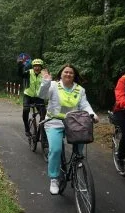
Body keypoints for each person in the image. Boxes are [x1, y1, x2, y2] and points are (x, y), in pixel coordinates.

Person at [39, 64, 99, 195]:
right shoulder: (53, 85)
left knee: (80, 146)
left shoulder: (80, 89)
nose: (68, 74)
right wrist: (45, 82)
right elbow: (42, 95)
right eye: (65, 72)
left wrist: (92, 114)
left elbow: (84, 105)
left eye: (71, 73)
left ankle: (78, 163)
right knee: (55, 149)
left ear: (74, 75)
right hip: (54, 121)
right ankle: (54, 178)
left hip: (74, 122)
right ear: (61, 74)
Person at [17, 57, 47, 137]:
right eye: (35, 66)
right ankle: (27, 129)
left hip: (39, 97)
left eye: (39, 66)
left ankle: (43, 132)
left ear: (41, 67)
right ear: (33, 67)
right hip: (28, 95)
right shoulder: (28, 73)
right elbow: (20, 74)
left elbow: (49, 84)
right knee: (26, 109)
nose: (37, 68)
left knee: (44, 114)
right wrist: (20, 66)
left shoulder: (44, 75)